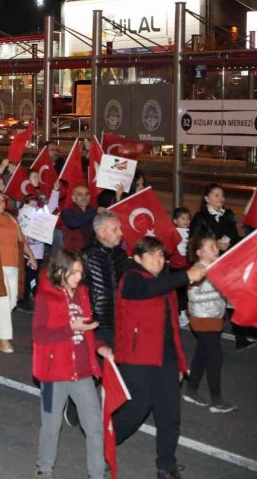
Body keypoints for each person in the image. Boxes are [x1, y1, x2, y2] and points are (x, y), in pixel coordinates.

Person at [112, 236, 206, 479]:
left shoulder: (165, 285)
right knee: (135, 411)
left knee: (170, 414)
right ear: (139, 258)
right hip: (138, 358)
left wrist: (179, 363)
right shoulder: (132, 279)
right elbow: (146, 290)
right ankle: (103, 441)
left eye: (161, 255)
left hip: (166, 359)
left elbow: (172, 328)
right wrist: (186, 276)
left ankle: (166, 465)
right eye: (152, 255)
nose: (158, 259)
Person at [33, 248, 110, 479]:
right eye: (74, 272)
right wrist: (70, 329)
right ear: (60, 271)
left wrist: (99, 347)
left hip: (81, 372)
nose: (79, 277)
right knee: (51, 426)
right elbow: (39, 335)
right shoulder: (45, 297)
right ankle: (44, 469)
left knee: (95, 426)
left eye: (80, 272)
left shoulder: (82, 294)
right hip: (52, 374)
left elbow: (85, 331)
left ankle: (96, 473)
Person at [189, 183, 251, 350]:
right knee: (214, 300)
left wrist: (233, 244)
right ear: (206, 198)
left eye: (222, 195)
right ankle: (209, 336)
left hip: (228, 262)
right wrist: (215, 244)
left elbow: (235, 236)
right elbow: (194, 241)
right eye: (216, 195)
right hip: (209, 265)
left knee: (233, 297)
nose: (221, 199)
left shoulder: (228, 214)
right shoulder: (200, 217)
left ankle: (240, 336)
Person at [0, 187, 37, 354]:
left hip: (13, 265)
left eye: (3, 201)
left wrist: (30, 256)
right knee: (3, 301)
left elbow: (22, 239)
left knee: (11, 302)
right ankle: (4, 339)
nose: (1, 204)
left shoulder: (11, 218)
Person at [183, 235, 235, 413]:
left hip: (214, 316)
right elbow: (193, 297)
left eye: (216, 246)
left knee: (202, 355)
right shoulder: (196, 270)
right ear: (200, 252)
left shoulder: (216, 267)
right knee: (215, 357)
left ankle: (191, 390)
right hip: (202, 318)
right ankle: (217, 400)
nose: (216, 249)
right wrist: (220, 292)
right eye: (211, 247)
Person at [80, 211, 129, 348]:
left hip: (121, 321)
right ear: (101, 232)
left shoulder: (122, 256)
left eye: (120, 228)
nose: (121, 233)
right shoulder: (85, 256)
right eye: (115, 229)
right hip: (96, 323)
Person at [59, 185, 97, 252]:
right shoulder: (67, 211)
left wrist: (118, 198)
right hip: (74, 253)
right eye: (80, 194)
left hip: (91, 251)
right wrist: (93, 213)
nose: (84, 197)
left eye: (87, 194)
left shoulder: (92, 210)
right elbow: (73, 223)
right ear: (73, 198)